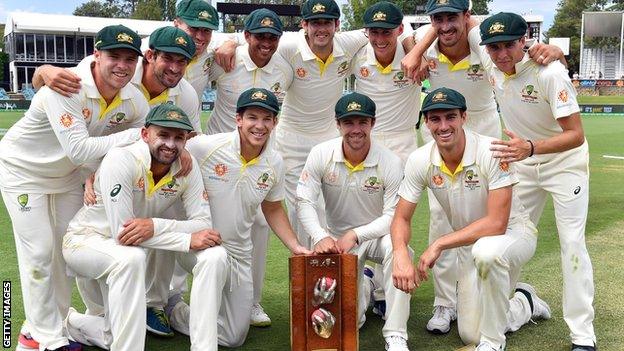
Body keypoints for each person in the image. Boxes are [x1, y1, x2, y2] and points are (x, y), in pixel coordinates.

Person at [400, 0, 566, 333]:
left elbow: (523, 51)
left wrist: (555, 52)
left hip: (485, 133)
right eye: (437, 20)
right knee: (440, 217)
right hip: (443, 131)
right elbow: (408, 51)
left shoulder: (479, 38)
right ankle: (445, 304)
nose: (445, 27)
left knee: (489, 218)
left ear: (467, 17)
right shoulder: (424, 40)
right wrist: (418, 49)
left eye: (453, 18)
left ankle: (502, 296)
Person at [0, 25, 149, 351]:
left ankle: (46, 326)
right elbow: (79, 149)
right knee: (39, 253)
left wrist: (100, 171)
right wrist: (134, 136)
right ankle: (48, 340)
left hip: (68, 178)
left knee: (64, 254)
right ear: (97, 54)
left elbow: (142, 140)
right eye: (114, 56)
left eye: (129, 58)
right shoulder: (67, 86)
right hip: (23, 173)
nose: (122, 65)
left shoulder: (134, 98)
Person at [391, 87, 551, 351]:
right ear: (426, 123)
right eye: (435, 119)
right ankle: (524, 303)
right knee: (469, 334)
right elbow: (401, 217)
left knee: (487, 252)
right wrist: (399, 253)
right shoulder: (420, 160)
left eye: (450, 117)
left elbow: (496, 223)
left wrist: (439, 243)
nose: (443, 126)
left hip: (511, 234)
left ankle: (493, 343)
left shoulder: (491, 151)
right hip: (469, 246)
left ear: (464, 117)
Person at [473, 13, 596, 351]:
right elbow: (457, 20)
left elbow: (575, 135)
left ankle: (583, 335)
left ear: (523, 39)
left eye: (508, 45)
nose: (501, 55)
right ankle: (501, 322)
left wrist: (529, 147)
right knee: (503, 240)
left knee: (572, 244)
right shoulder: (490, 61)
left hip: (564, 163)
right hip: (523, 164)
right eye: (493, 48)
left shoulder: (550, 72)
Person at [62, 104, 219, 351]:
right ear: (145, 134)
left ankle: (73, 323)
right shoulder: (122, 159)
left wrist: (154, 226)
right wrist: (185, 240)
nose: (171, 144)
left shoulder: (186, 168)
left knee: (215, 254)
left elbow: (203, 224)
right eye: (163, 135)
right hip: (86, 241)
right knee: (131, 257)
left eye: (179, 138)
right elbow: (122, 234)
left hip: (131, 248)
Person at [164, 88, 311, 350]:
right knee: (214, 262)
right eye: (252, 117)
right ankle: (180, 306)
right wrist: (183, 149)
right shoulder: (207, 147)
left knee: (234, 337)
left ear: (275, 123)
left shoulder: (274, 163)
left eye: (267, 119)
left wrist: (295, 246)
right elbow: (164, 148)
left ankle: (178, 313)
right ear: (238, 119)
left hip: (240, 253)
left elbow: (273, 208)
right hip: (199, 247)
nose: (260, 125)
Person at [296, 92, 411, 351]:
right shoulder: (320, 153)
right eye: (349, 123)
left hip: (376, 237)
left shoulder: (390, 162)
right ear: (338, 124)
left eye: (362, 122)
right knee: (350, 323)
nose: (356, 130)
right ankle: (368, 283)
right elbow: (304, 200)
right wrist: (320, 236)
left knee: (399, 249)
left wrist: (357, 234)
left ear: (373, 123)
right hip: (339, 243)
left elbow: (393, 216)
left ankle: (395, 333)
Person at [200, 8, 294, 327]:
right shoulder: (226, 59)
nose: (265, 43)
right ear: (246, 36)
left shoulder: (285, 67)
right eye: (259, 36)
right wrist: (221, 45)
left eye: (272, 37)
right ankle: (171, 298)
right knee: (204, 226)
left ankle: (252, 300)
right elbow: (196, 60)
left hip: (259, 159)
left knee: (259, 226)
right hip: (215, 155)